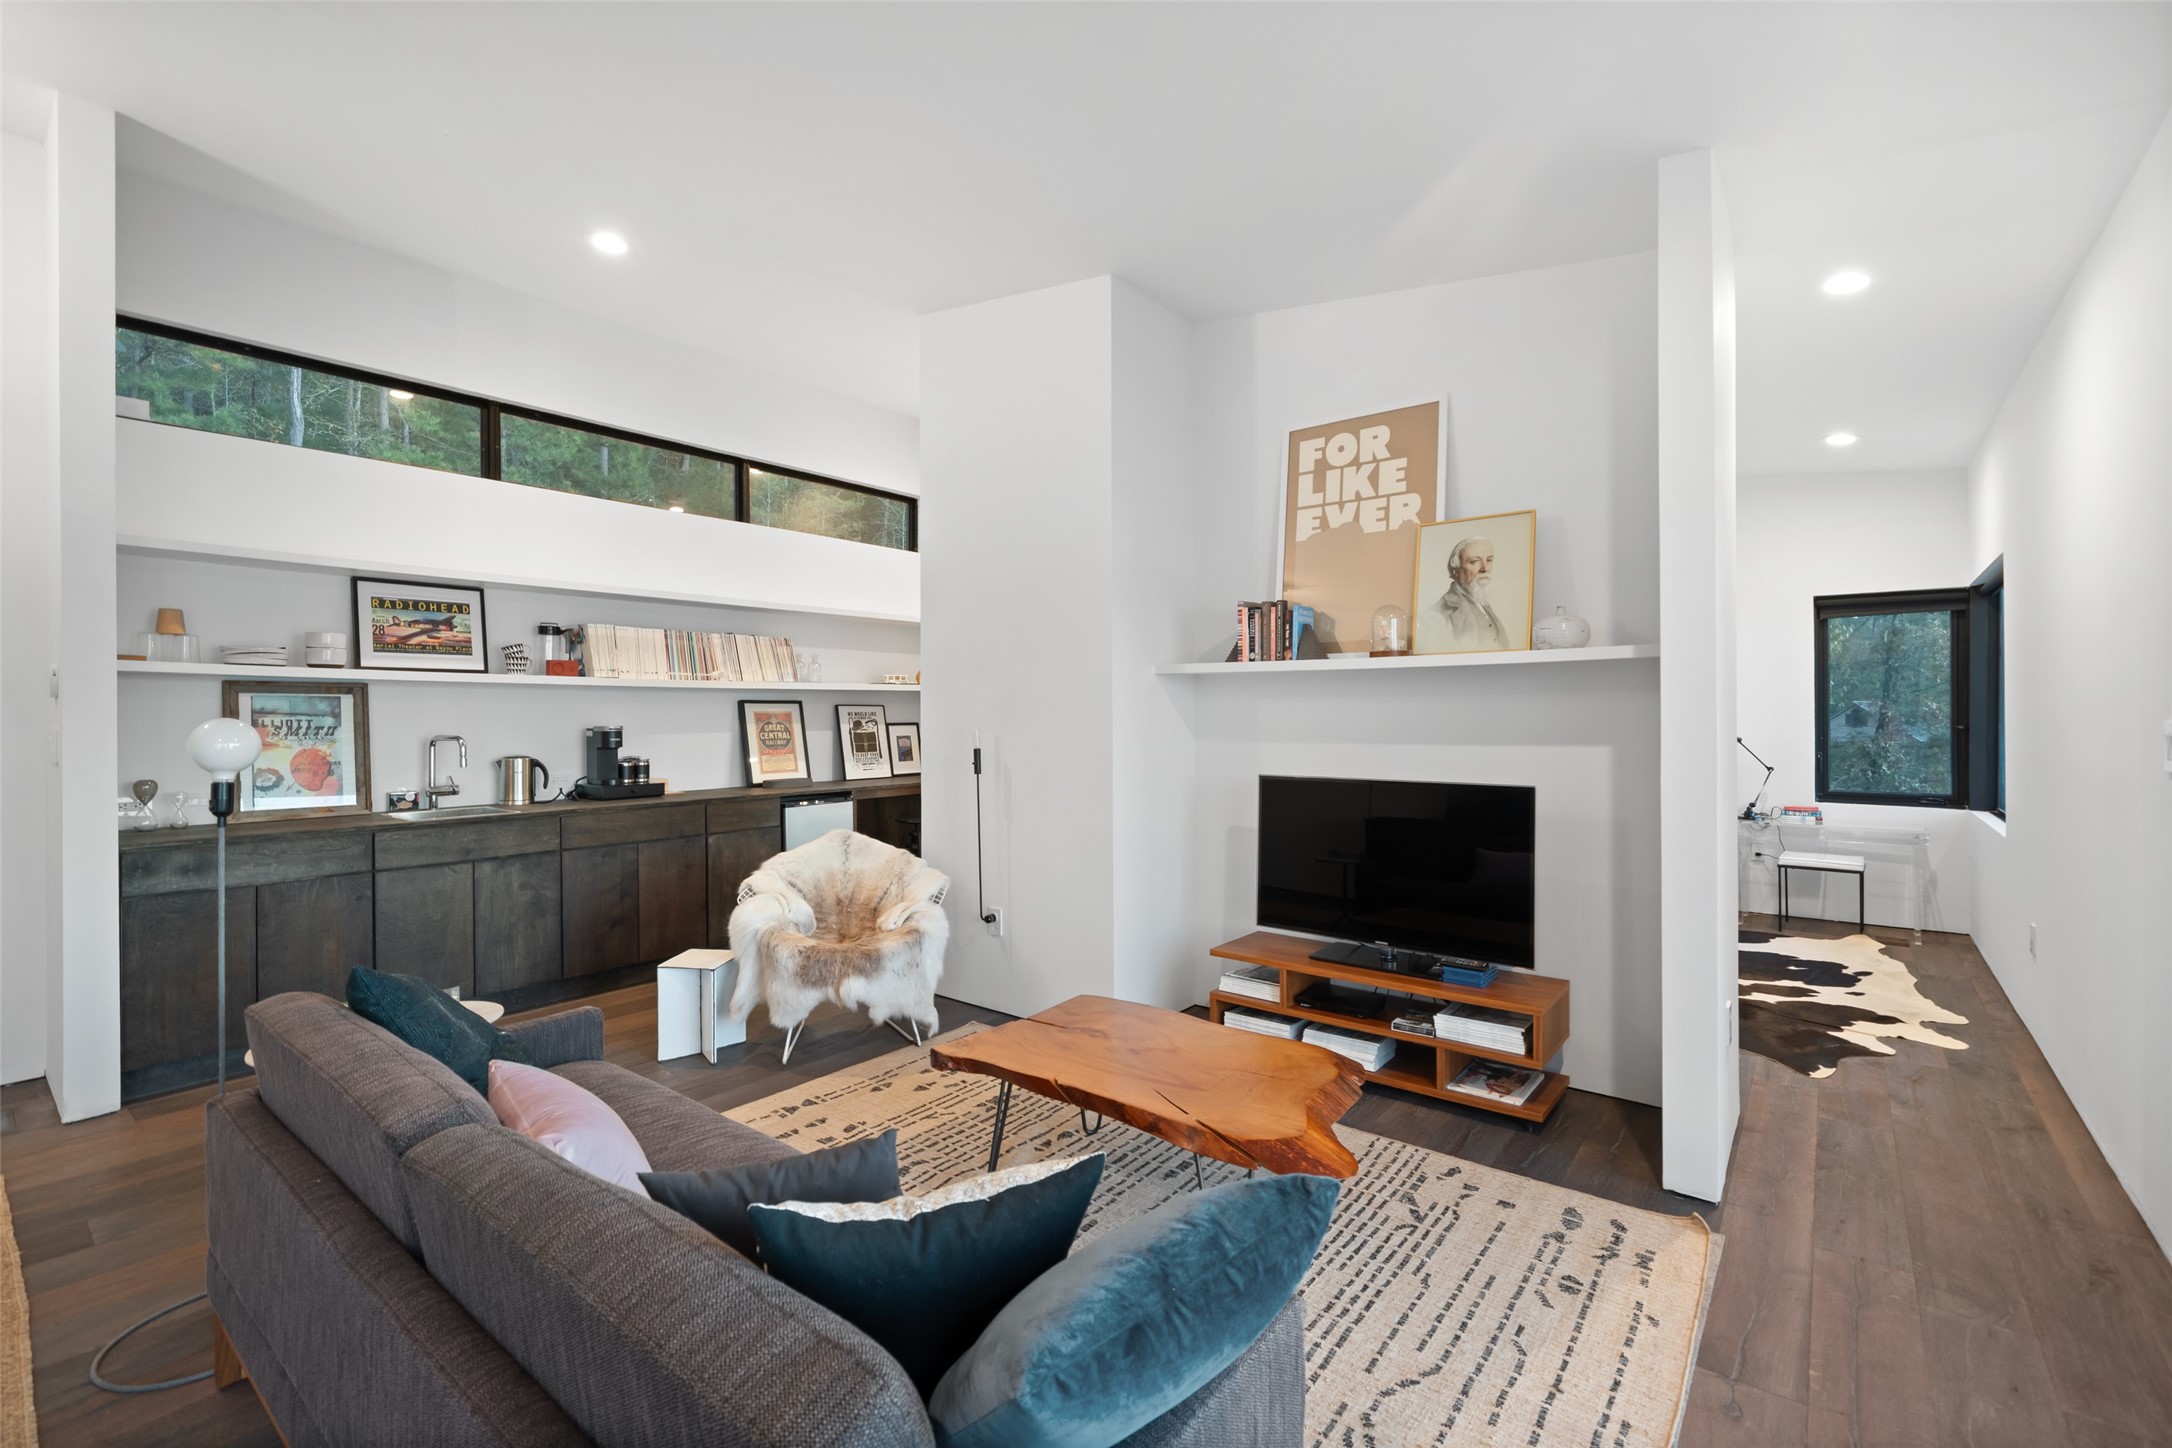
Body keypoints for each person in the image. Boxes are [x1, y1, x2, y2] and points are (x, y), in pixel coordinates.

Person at [1435, 535, 1509, 648]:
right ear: (1456, 570)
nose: (1485, 568)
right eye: (1475, 561)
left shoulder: (1481, 601)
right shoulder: (1442, 613)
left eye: (1489, 560)